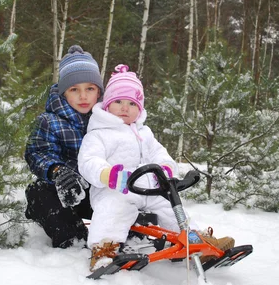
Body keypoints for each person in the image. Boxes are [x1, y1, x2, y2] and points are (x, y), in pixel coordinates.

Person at [78, 64, 235, 271]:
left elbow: (160, 153)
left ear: (140, 108)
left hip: (148, 188)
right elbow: (88, 160)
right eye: (118, 102)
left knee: (171, 207)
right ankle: (103, 250)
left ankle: (196, 240)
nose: (125, 108)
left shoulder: (144, 133)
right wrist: (108, 175)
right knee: (113, 209)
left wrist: (166, 169)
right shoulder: (99, 134)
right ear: (107, 105)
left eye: (132, 104)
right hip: (116, 188)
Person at [24, 45, 104, 249]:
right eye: (74, 89)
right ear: (63, 92)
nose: (83, 96)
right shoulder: (49, 121)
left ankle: (127, 234)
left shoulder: (107, 120)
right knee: (38, 191)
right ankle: (73, 239)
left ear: (99, 92)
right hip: (66, 193)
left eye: (90, 89)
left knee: (129, 200)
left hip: (99, 192)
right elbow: (38, 153)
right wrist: (57, 171)